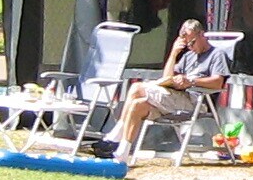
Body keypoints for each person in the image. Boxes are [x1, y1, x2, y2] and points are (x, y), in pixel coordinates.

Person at [85, 18, 231, 159]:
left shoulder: (217, 54)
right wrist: (174, 53)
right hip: (175, 98)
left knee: (136, 88)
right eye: (187, 44)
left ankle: (115, 136)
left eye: (192, 42)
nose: (190, 47)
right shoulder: (189, 56)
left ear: (202, 34)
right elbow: (167, 76)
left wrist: (191, 81)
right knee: (137, 105)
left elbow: (218, 83)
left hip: (196, 101)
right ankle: (122, 153)